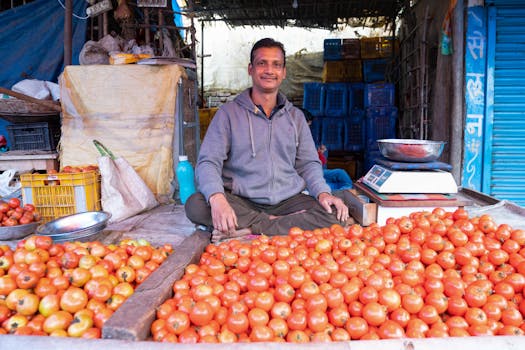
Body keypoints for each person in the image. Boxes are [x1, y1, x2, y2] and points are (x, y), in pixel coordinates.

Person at [185, 38, 350, 242]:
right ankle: (276, 224)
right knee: (196, 204)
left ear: (284, 72)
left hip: (288, 200)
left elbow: (309, 164)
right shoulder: (228, 114)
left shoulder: (296, 117)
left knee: (335, 213)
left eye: (276, 64)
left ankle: (249, 228)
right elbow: (208, 162)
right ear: (250, 69)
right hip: (242, 200)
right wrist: (218, 198)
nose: (269, 70)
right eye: (262, 63)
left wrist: (323, 194)